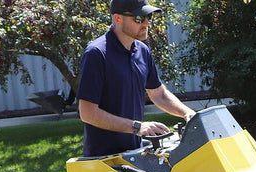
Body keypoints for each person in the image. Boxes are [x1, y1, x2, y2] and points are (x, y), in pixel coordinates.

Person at [78, 0, 196, 157]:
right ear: (118, 18)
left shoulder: (143, 50)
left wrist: (188, 113)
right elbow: (87, 113)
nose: (146, 23)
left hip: (135, 153)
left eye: (148, 17)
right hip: (102, 160)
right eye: (139, 18)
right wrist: (136, 127)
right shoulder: (96, 54)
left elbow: (158, 94)